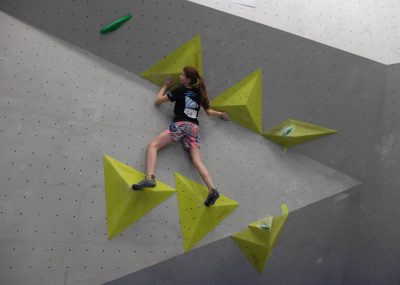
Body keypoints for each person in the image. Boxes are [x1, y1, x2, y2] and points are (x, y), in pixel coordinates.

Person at [132, 66, 229, 206]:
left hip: (182, 124)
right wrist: (220, 114)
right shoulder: (198, 93)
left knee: (153, 146)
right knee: (197, 161)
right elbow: (208, 111)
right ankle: (212, 189)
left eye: (182, 75)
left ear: (188, 79)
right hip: (194, 128)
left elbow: (158, 100)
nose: (180, 77)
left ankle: (149, 178)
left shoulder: (180, 91)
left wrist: (164, 86)